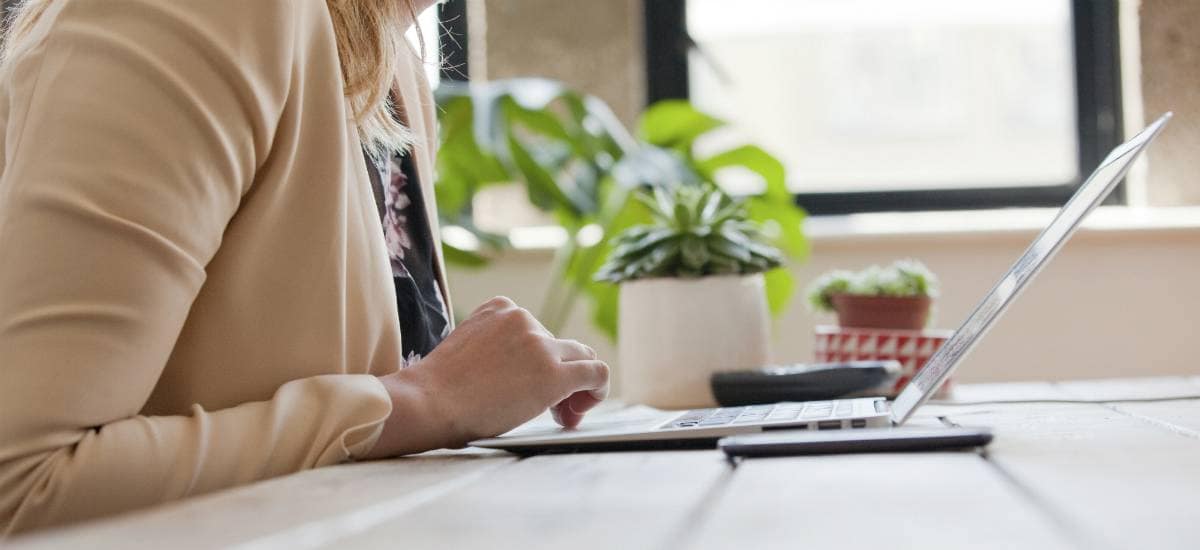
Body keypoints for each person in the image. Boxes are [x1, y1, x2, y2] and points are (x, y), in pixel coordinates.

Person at [0, 0, 609, 536]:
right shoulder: (200, 12)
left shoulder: (387, 60)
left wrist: (463, 391)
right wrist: (425, 401)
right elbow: (21, 487)